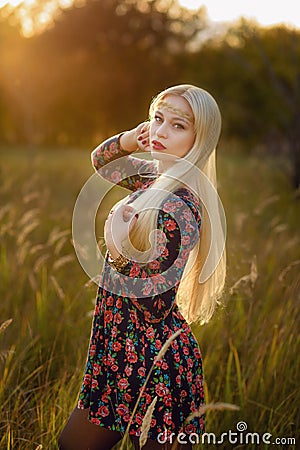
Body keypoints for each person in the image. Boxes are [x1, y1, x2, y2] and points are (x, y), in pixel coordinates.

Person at [58, 84, 226, 450]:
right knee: (73, 443)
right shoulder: (154, 177)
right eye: (158, 119)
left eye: (178, 126)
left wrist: (119, 248)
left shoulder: (181, 205)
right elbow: (102, 162)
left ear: (201, 138)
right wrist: (131, 139)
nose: (161, 132)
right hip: (116, 357)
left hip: (155, 364)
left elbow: (156, 304)